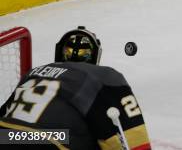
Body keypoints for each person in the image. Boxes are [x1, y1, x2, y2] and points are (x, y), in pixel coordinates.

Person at [0, 26, 151, 150]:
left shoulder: (33, 74)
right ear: (95, 56)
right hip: (49, 141)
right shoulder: (102, 76)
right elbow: (136, 143)